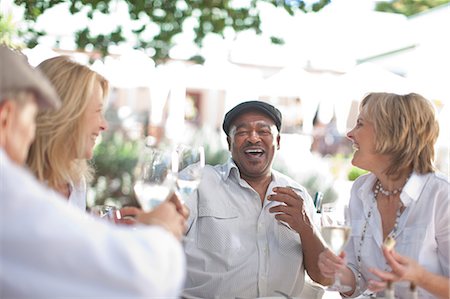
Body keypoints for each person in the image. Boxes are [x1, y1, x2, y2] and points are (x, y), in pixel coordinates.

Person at [0, 45, 186, 297]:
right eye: (98, 111)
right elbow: (145, 278)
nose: (104, 124)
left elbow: (59, 252)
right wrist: (162, 229)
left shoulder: (73, 181)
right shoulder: (12, 191)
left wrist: (103, 227)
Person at [182, 100, 328, 298]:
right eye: (242, 132)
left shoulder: (298, 195)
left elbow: (323, 276)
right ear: (229, 143)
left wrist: (306, 227)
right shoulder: (197, 181)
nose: (253, 138)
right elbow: (163, 236)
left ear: (278, 142)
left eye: (263, 131)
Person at [318, 92, 449, 298]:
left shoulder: (442, 195)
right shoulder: (360, 190)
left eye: (360, 124)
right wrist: (336, 271)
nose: (349, 134)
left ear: (391, 133)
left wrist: (421, 278)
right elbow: (357, 281)